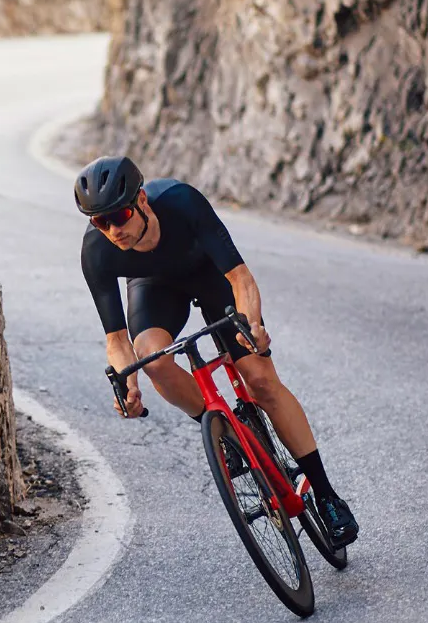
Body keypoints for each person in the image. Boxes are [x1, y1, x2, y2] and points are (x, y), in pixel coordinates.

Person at [75, 155, 359, 546]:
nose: (113, 230)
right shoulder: (96, 250)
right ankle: (224, 431)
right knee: (152, 359)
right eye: (100, 222)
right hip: (154, 289)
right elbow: (118, 342)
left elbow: (240, 279)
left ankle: (326, 497)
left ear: (141, 201)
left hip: (210, 276)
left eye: (119, 216)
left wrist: (253, 328)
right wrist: (128, 384)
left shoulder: (181, 202)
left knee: (260, 380)